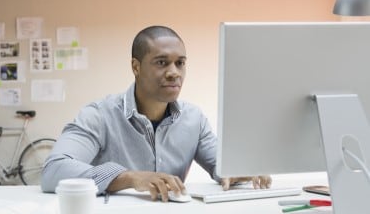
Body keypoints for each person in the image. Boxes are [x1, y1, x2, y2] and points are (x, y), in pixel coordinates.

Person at [41, 25, 271, 202]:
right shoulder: (99, 115)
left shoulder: (194, 119)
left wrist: (239, 171)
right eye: (162, 62)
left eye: (180, 63)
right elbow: (53, 170)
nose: (174, 73)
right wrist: (130, 177)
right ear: (136, 67)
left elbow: (221, 166)